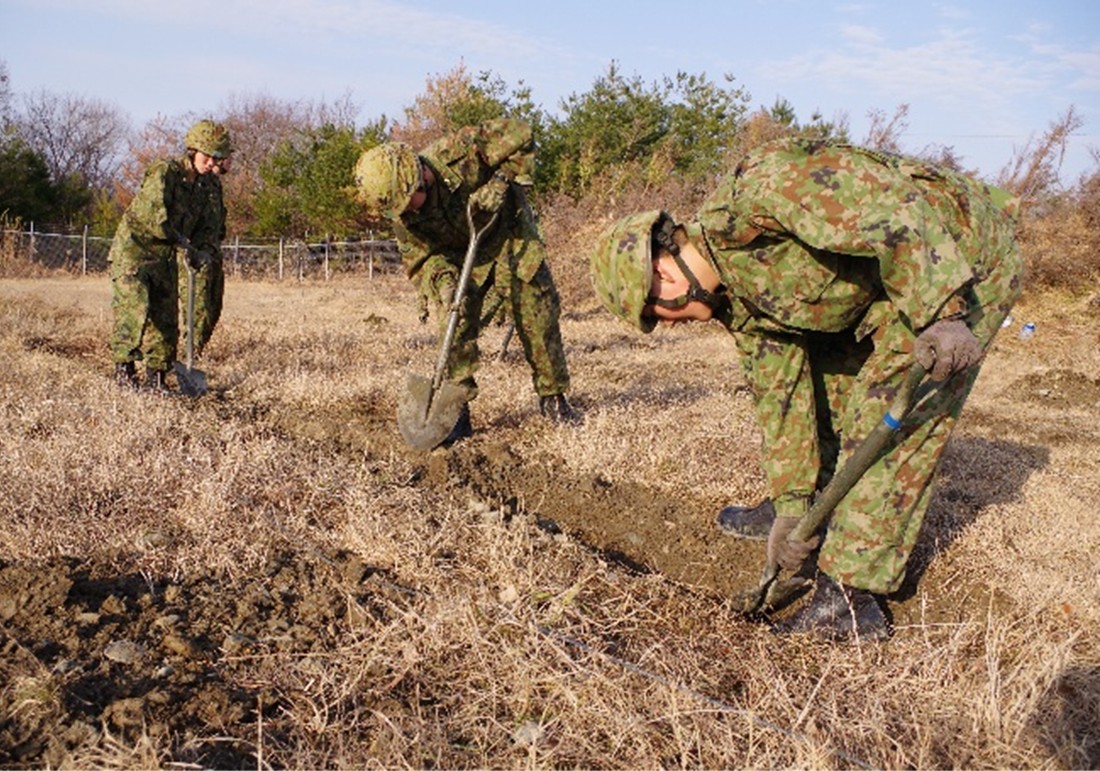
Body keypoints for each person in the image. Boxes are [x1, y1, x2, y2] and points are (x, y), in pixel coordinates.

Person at [589, 138, 1022, 641]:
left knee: (888, 419)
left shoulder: (761, 194)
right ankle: (824, 509)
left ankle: (850, 601)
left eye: (652, 313)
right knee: (829, 398)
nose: (664, 325)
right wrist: (794, 506)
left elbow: (890, 206)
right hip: (884, 288)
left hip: (955, 262)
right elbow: (781, 395)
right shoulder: (736, 300)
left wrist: (943, 310)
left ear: (662, 273)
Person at [353, 118, 575, 442]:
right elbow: (422, 260)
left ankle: (553, 398)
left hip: (509, 233)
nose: (406, 215)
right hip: (460, 254)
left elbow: (522, 134)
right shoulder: (403, 216)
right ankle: (456, 411)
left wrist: (501, 180)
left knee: (536, 310)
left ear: (419, 178)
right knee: (453, 321)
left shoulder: (461, 152)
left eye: (406, 205)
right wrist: (442, 280)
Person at [109, 119, 230, 390]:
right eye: (207, 156)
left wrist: (204, 252)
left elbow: (209, 228)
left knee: (165, 317)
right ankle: (124, 373)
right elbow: (152, 219)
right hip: (135, 251)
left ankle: (157, 378)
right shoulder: (166, 172)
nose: (211, 163)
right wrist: (184, 243)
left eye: (217, 158)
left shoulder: (206, 186)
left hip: (166, 254)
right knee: (135, 309)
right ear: (193, 150)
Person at [179, 122, 233, 360]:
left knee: (213, 305)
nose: (228, 161)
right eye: (225, 157)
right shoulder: (193, 180)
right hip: (195, 252)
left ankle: (197, 349)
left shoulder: (214, 183)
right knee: (197, 306)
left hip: (212, 251)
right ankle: (190, 354)